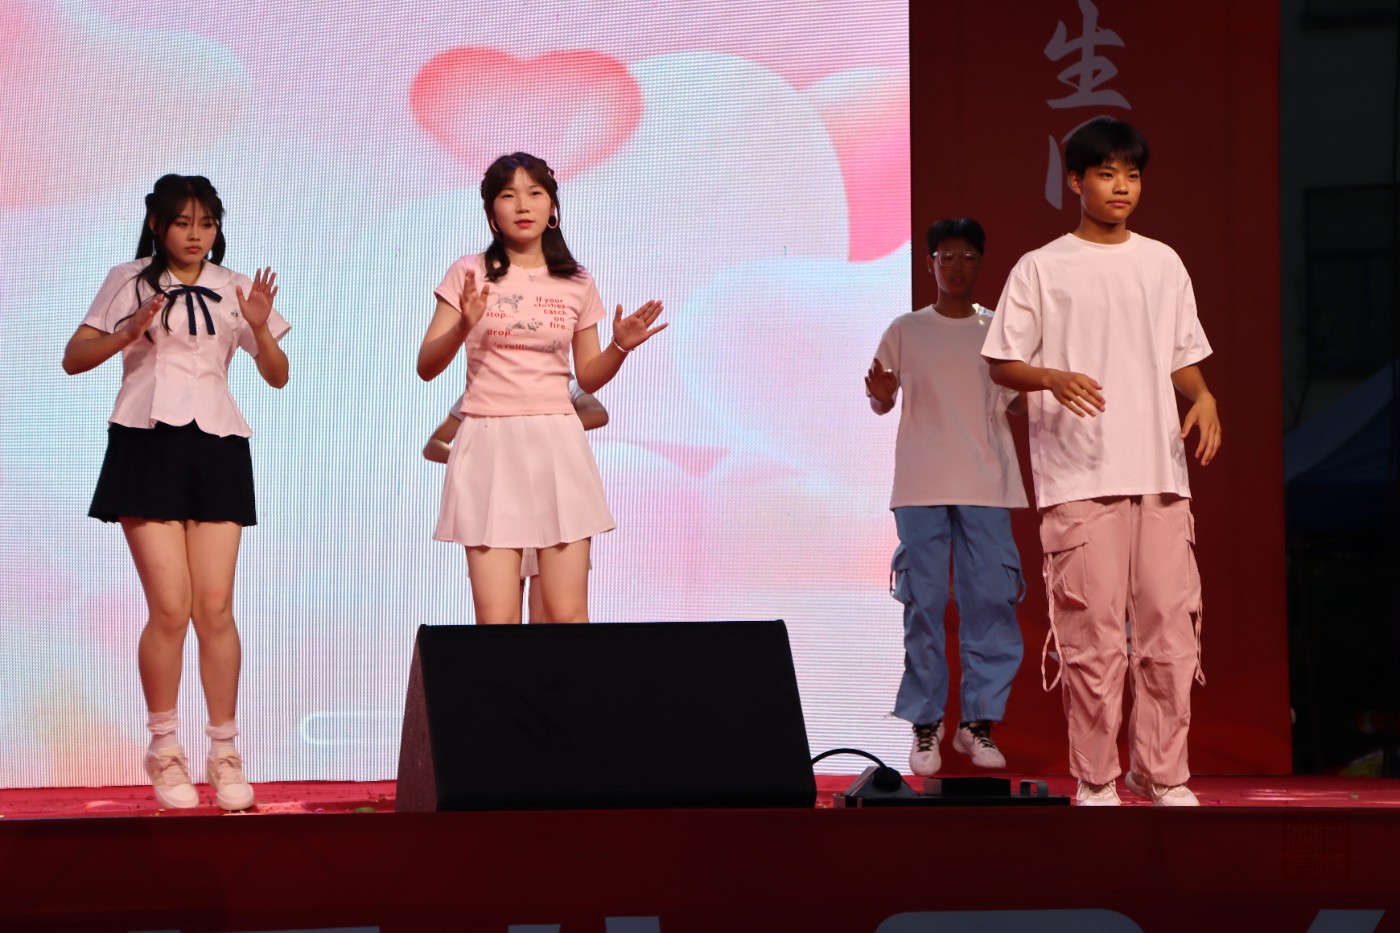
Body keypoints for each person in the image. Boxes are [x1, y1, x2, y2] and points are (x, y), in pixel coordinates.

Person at [981, 117, 1221, 807]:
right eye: (1107, 173)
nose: (1122, 186)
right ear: (1075, 181)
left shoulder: (1163, 262)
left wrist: (1205, 397)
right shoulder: (1041, 267)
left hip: (1159, 472)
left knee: (1171, 631)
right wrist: (1051, 378)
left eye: (1132, 175)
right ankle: (1095, 776)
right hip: (1080, 472)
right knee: (1093, 639)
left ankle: (1161, 771)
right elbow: (1001, 362)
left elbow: (1181, 357)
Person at [62, 174, 290, 811]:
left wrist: (261, 330)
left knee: (214, 608)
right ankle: (164, 748)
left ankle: (225, 751)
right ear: (157, 225)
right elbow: (74, 357)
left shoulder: (235, 285)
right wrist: (127, 332)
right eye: (183, 222)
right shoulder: (130, 279)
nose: (196, 235)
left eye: (206, 223)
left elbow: (277, 376)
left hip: (218, 446)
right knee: (170, 607)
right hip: (146, 443)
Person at [417, 152, 665, 624]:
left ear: (552, 207)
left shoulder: (576, 281)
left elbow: (587, 375)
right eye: (508, 195)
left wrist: (619, 346)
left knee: (567, 615)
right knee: (497, 621)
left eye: (534, 193)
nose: (522, 205)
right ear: (492, 212)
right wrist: (463, 326)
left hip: (557, 443)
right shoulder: (468, 272)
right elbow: (426, 366)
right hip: (488, 442)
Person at [866, 218, 1028, 777]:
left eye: (968, 257)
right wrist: (881, 395)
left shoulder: (999, 329)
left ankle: (977, 723)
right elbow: (882, 399)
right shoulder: (906, 328)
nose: (957, 267)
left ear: (980, 262)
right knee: (925, 605)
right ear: (931, 263)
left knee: (991, 602)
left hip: (986, 481)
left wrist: (1044, 382)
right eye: (947, 257)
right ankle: (926, 722)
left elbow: (1020, 402)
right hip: (921, 485)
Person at [423, 380, 608, 622]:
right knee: (500, 617)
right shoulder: (484, 384)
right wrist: (474, 458)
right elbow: (433, 445)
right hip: (501, 506)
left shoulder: (561, 381)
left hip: (548, 504)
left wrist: (546, 427)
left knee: (552, 614)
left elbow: (598, 414)